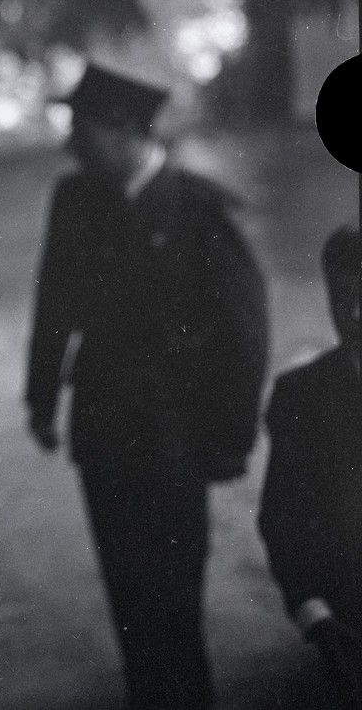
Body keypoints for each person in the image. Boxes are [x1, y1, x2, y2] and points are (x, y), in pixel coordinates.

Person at [24, 62, 269, 710]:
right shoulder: (74, 198)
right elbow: (53, 303)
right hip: (102, 433)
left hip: (175, 441)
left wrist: (231, 439)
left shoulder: (200, 208)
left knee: (175, 605)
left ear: (123, 129)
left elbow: (244, 336)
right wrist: (41, 398)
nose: (70, 141)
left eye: (81, 126)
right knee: (129, 601)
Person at [259, 224, 361, 706]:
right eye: (343, 299)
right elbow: (284, 521)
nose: (356, 315)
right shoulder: (301, 397)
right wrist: (316, 617)